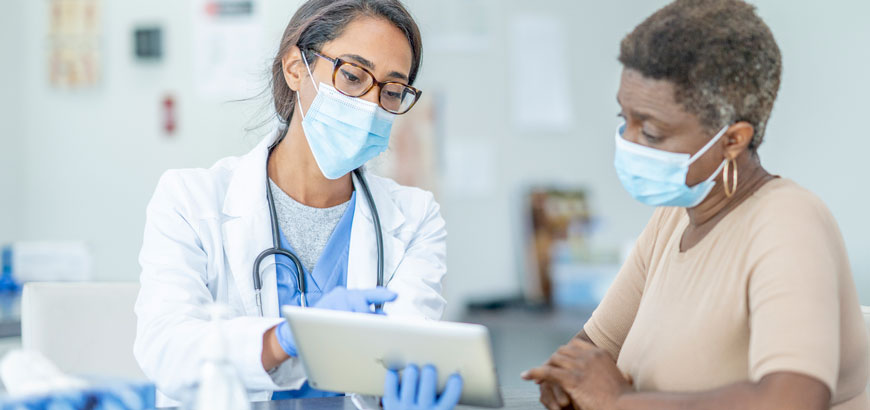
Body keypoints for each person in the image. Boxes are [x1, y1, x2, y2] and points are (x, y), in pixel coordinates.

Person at [522, 0, 869, 409]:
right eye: (625, 119)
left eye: (651, 132)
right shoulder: (672, 218)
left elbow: (793, 399)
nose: (628, 142)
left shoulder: (789, 223)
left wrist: (618, 402)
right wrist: (567, 381)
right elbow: (592, 351)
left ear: (732, 140)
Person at [133, 1, 461, 407]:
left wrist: (408, 386)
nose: (371, 105)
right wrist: (286, 339)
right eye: (354, 76)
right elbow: (166, 351)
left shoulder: (415, 218)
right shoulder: (190, 199)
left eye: (392, 91)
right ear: (295, 68)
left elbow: (409, 351)